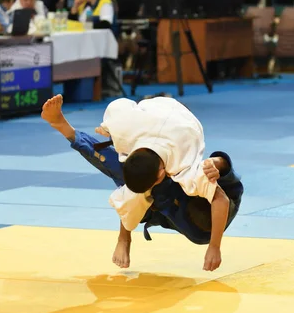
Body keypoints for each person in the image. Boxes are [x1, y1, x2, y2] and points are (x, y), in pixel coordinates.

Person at [41, 95, 244, 272]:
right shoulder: (126, 132)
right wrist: (110, 130)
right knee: (119, 170)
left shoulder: (185, 165)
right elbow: (117, 116)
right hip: (152, 120)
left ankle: (215, 168)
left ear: (161, 172)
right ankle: (62, 125)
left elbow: (221, 200)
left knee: (201, 233)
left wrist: (215, 247)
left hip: (212, 201)